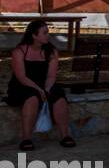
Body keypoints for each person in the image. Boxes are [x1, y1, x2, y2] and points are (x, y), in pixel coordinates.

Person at [6, 20, 74, 150]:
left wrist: (47, 89)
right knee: (32, 97)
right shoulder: (19, 51)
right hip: (23, 85)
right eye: (45, 33)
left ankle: (65, 135)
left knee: (58, 95)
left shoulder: (52, 52)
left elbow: (51, 76)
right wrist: (39, 90)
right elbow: (21, 76)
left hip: (45, 83)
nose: (48, 35)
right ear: (34, 35)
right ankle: (26, 139)